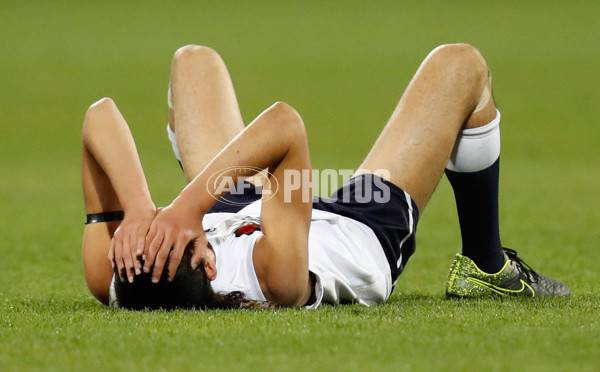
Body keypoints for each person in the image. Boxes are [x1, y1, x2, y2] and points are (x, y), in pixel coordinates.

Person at [81, 44, 569, 310]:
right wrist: (187, 209)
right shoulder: (274, 281)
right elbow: (285, 126)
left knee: (192, 62)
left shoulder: (111, 278)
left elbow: (97, 118)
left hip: (242, 209)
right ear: (208, 265)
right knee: (463, 67)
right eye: (172, 235)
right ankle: (487, 269)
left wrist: (140, 211)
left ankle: (207, 202)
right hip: (356, 226)